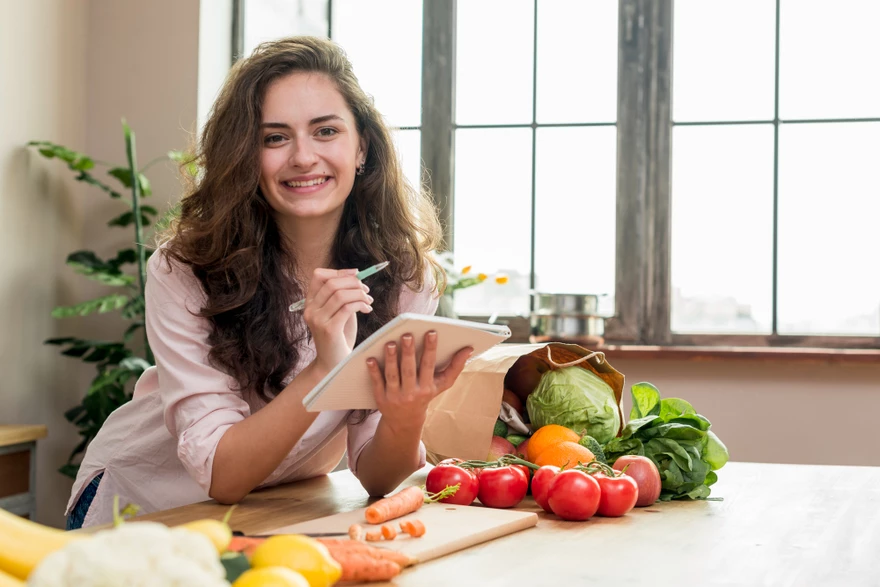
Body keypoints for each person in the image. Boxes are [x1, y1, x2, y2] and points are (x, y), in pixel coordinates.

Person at [65, 36, 472, 529]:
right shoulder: (185, 269)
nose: (303, 157)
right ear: (246, 156)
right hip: (145, 510)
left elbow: (381, 479)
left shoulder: (404, 277)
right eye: (274, 138)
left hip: (269, 515)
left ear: (361, 146)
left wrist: (406, 414)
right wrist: (326, 367)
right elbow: (222, 475)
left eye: (325, 131)